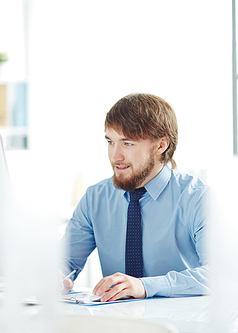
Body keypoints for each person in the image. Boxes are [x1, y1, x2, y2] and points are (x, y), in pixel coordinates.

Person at [60, 93, 209, 302]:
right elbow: (65, 260)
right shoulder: (95, 198)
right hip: (117, 322)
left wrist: (144, 286)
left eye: (127, 144)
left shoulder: (197, 198)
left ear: (160, 145)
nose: (115, 156)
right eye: (111, 142)